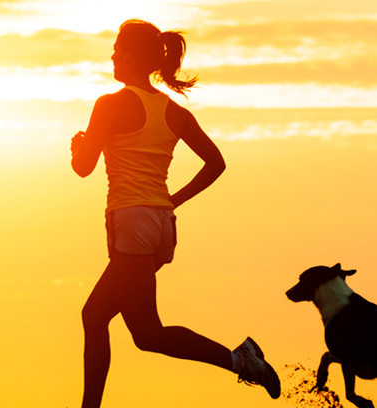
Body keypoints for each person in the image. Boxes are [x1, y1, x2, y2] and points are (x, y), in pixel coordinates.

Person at [70, 19, 280, 408]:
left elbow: (83, 167)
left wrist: (77, 146)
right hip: (162, 228)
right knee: (105, 319)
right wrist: (173, 202)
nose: (112, 56)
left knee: (141, 331)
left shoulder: (109, 104)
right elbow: (216, 163)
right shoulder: (172, 110)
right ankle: (241, 360)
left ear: (130, 54)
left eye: (116, 49)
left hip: (132, 224)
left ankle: (241, 361)